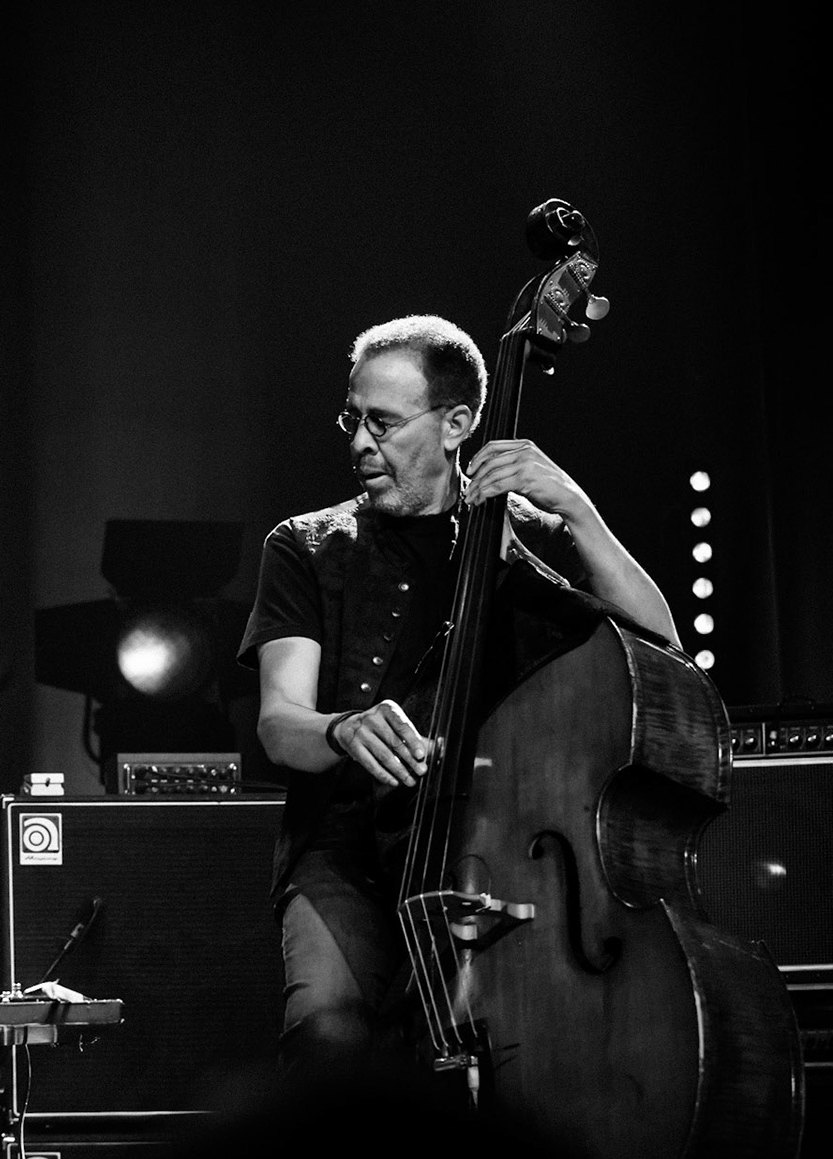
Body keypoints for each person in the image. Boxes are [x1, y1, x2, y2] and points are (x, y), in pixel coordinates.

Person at [237, 314, 677, 1077]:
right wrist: (341, 730)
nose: (359, 444)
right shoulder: (305, 544)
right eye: (354, 419)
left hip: (493, 847)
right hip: (342, 853)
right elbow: (281, 724)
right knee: (325, 1036)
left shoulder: (516, 541)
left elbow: (662, 650)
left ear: (458, 423)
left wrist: (576, 511)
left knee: (515, 1062)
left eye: (383, 421)